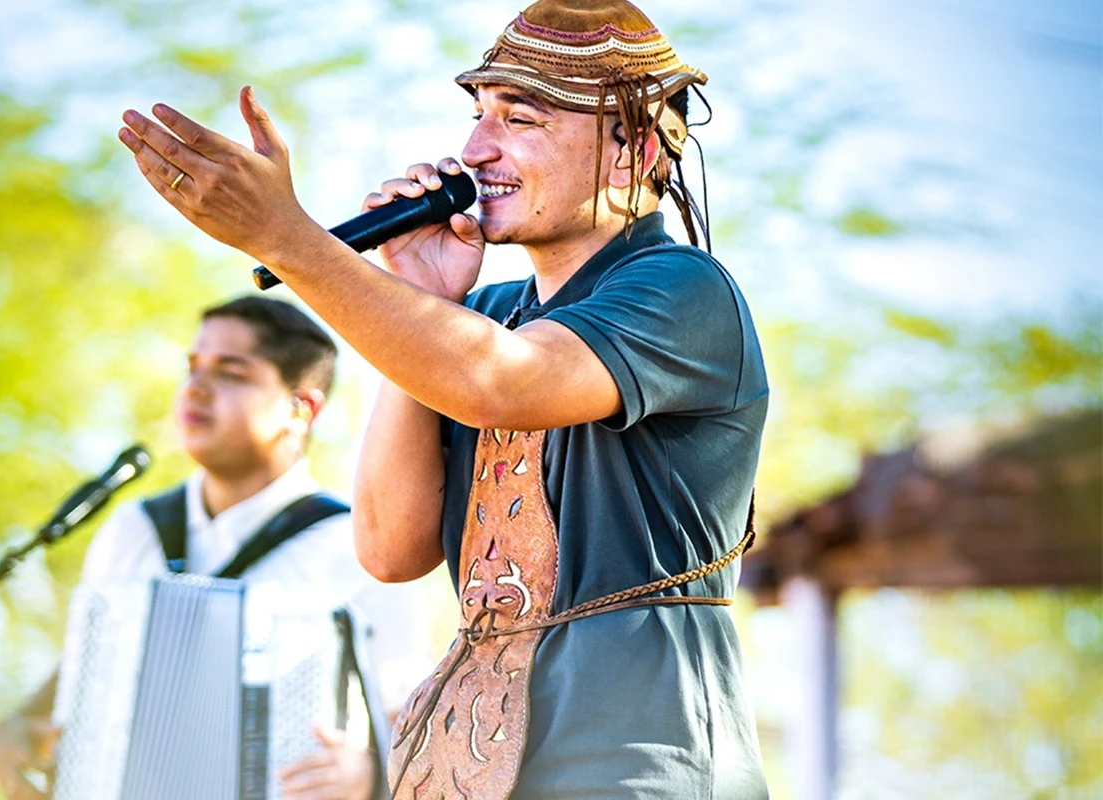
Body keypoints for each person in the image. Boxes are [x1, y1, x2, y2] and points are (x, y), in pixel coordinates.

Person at [117, 0, 770, 796]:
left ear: (629, 147)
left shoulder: (683, 290)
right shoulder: (483, 319)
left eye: (519, 118)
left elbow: (498, 382)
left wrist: (288, 240)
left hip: (638, 762)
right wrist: (420, 296)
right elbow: (390, 548)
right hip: (477, 766)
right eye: (477, 115)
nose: (474, 149)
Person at [0, 296, 433, 800]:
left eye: (231, 373)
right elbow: (87, 670)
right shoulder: (135, 527)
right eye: (193, 368)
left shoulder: (358, 546)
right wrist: (24, 721)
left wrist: (370, 776)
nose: (196, 388)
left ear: (300, 408)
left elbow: (412, 724)